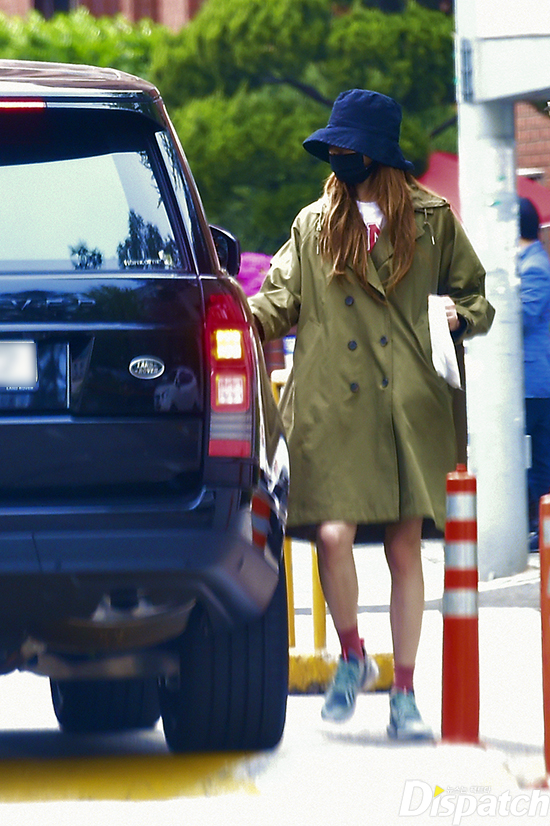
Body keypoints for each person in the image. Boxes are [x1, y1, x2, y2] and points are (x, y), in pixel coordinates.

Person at [248, 89, 494, 740]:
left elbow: (477, 297)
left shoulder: (432, 219)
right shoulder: (314, 224)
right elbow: (276, 301)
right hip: (333, 407)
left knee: (404, 546)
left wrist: (459, 315)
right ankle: (353, 653)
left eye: (346, 146)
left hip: (408, 406)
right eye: (333, 146)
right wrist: (224, 315)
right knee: (333, 535)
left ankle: (405, 693)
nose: (336, 155)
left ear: (376, 153)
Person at [518, 197, 550, 551]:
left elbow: (524, 316)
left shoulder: (534, 267)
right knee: (535, 459)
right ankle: (538, 529)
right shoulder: (528, 262)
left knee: (537, 461)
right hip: (531, 382)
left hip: (535, 382)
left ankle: (541, 532)